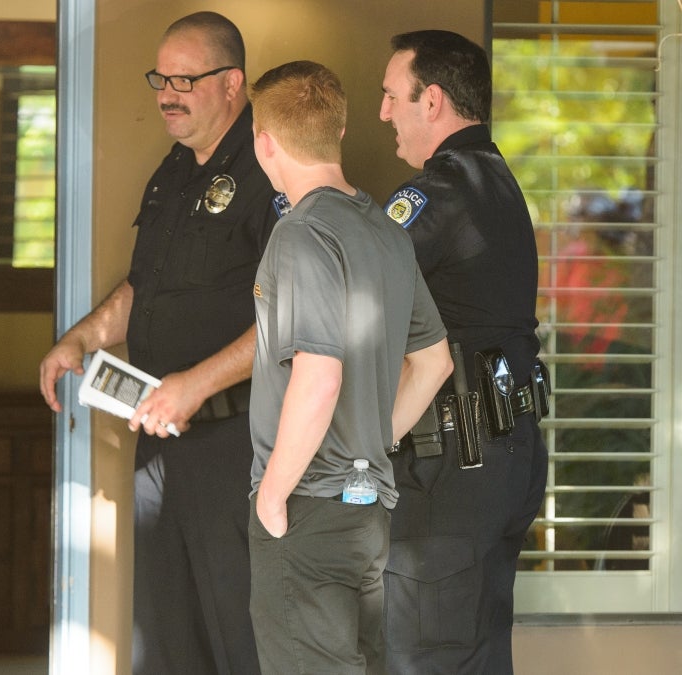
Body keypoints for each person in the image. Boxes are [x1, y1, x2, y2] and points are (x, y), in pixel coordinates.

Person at [38, 12, 272, 675]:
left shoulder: (269, 168)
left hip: (237, 442)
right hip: (161, 438)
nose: (167, 93)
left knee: (238, 634)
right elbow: (146, 285)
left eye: (185, 79)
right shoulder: (174, 168)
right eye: (160, 79)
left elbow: (293, 317)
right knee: (162, 634)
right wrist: (78, 340)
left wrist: (194, 385)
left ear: (232, 83)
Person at [245, 59, 451, 675]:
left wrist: (273, 495)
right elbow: (434, 360)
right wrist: (375, 440)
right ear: (337, 131)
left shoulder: (301, 234)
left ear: (264, 142)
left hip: (308, 503)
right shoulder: (385, 231)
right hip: (366, 511)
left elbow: (320, 374)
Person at [378, 30, 548, 674]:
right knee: (476, 654)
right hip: (506, 449)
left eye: (393, 96)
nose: (383, 112)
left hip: (451, 463)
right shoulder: (498, 180)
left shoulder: (438, 193)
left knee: (421, 654)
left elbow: (353, 298)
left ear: (434, 101)